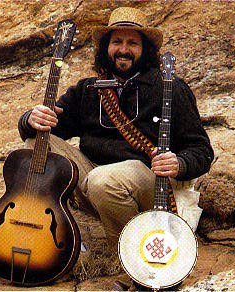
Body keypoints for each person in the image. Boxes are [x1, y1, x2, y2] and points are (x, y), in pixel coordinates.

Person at [18, 6, 214, 291]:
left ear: (145, 49)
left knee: (103, 181)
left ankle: (133, 262)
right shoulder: (88, 89)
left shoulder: (168, 87)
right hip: (96, 181)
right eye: (117, 42)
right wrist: (31, 118)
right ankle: (47, 238)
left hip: (150, 186)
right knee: (35, 144)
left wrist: (179, 164)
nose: (124, 49)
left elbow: (201, 150)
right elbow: (49, 129)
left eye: (132, 42)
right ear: (106, 48)